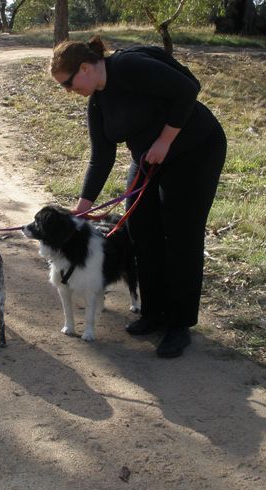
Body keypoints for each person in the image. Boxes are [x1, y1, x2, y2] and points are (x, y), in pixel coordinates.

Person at [50, 36, 227, 358]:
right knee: (141, 231)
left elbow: (188, 88)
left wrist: (165, 140)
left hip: (196, 151)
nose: (67, 91)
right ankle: (154, 312)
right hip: (149, 160)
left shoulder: (128, 67)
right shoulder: (97, 104)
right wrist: (82, 208)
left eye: (67, 83)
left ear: (86, 68)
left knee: (181, 236)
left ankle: (178, 324)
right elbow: (100, 159)